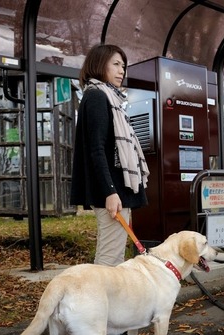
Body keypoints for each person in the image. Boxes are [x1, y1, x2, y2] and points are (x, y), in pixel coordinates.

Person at [71, 44, 150, 268]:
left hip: (115, 190)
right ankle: (96, 302)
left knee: (114, 256)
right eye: (115, 64)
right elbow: (96, 149)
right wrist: (110, 191)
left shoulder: (109, 98)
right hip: (111, 191)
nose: (121, 71)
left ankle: (108, 301)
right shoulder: (97, 97)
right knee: (108, 257)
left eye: (123, 66)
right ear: (98, 64)